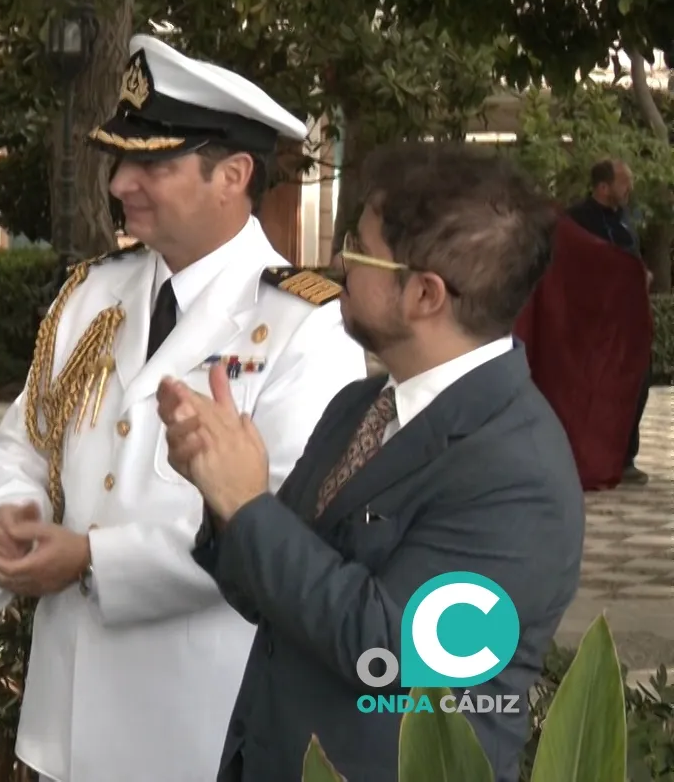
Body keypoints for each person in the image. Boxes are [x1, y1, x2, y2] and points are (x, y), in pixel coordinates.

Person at [0, 35, 369, 782]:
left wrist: (93, 559)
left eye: (153, 164)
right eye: (121, 161)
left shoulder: (305, 326)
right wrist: (6, 514)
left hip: (194, 730)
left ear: (233, 175)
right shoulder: (92, 294)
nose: (122, 182)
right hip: (64, 723)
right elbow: (23, 442)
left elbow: (277, 523)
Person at [163, 141, 583, 781]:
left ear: (425, 295)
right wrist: (219, 486)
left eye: (357, 249)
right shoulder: (361, 405)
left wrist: (247, 504)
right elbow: (267, 590)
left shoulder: (518, 472)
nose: (337, 264)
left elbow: (391, 654)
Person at [557, 159, 654, 483]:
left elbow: (630, 258)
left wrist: (641, 274)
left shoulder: (626, 218)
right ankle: (584, 457)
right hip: (591, 324)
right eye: (624, 182)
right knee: (590, 389)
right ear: (603, 186)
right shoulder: (576, 221)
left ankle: (625, 458)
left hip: (627, 322)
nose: (629, 189)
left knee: (637, 382)